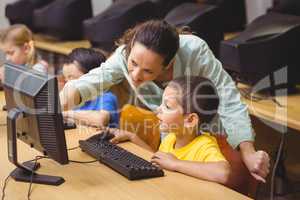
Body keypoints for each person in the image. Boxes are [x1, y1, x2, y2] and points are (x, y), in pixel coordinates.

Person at [60, 20, 270, 182]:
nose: (134, 76)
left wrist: (248, 152)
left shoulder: (194, 51)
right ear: (130, 47)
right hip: (173, 133)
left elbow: (229, 100)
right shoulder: (123, 56)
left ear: (168, 65)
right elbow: (89, 82)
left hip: (210, 135)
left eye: (148, 71)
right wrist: (59, 102)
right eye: (133, 63)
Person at [108, 76, 231, 185]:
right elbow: (159, 159)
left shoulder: (204, 144)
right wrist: (132, 137)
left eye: (167, 106)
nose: (158, 109)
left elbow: (223, 173)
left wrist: (176, 164)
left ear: (190, 120)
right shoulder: (171, 138)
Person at [62, 48, 119, 128]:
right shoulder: (73, 97)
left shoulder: (106, 97)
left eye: (72, 79)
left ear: (92, 78)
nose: (67, 84)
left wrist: (66, 114)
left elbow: (100, 120)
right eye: (65, 79)